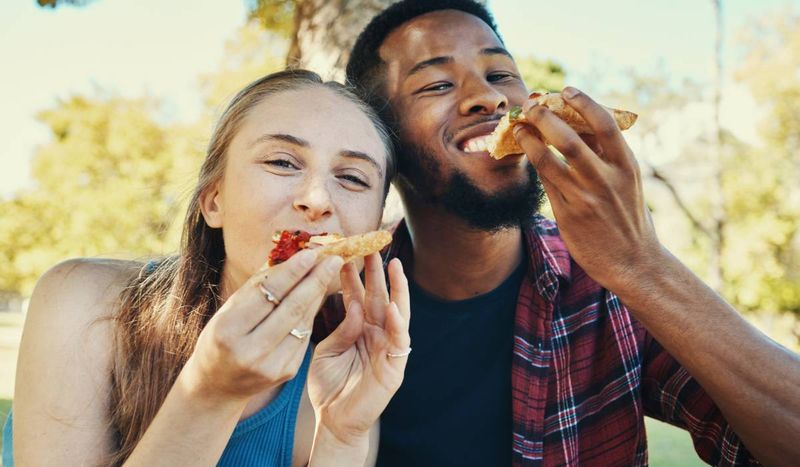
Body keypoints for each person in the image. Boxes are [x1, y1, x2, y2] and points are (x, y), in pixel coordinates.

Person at [312, 1, 800, 465]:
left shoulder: (612, 285)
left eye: (501, 75)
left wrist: (643, 265)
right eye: (438, 84)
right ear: (382, 140)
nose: (491, 97)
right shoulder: (332, 303)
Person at [4, 69, 411, 466]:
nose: (318, 198)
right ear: (213, 200)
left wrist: (342, 437)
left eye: (354, 178)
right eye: (283, 163)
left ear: (373, 228)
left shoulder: (335, 389)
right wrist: (210, 393)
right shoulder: (81, 303)